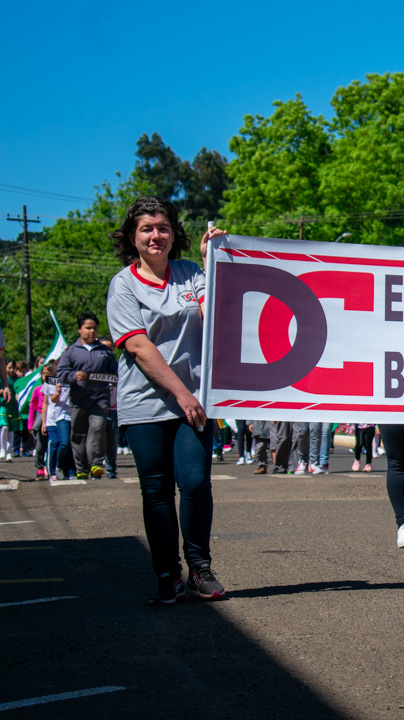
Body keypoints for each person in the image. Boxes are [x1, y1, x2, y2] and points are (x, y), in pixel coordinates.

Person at [106, 196, 228, 605]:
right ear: (133, 238)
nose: (155, 235)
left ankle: (200, 568)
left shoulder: (190, 274)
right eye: (146, 229)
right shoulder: (123, 284)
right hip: (147, 404)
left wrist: (213, 263)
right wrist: (181, 393)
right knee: (156, 492)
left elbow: (216, 317)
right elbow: (139, 347)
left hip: (194, 402)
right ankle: (167, 575)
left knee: (195, 483)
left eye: (163, 227)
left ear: (174, 234)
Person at [56, 311, 118, 479]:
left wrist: (112, 379)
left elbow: (116, 372)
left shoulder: (105, 351)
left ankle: (96, 464)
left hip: (100, 399)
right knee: (78, 434)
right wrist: (73, 376)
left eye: (95, 328)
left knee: (98, 428)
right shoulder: (71, 352)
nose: (92, 332)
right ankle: (81, 468)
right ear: (79, 330)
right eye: (88, 328)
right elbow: (61, 373)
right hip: (78, 400)